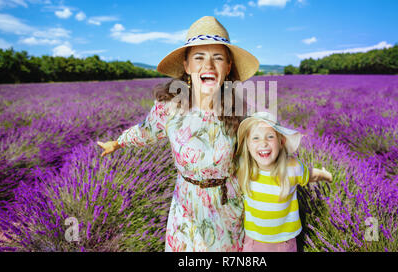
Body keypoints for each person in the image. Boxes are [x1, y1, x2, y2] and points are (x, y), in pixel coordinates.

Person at [97, 16, 259, 251]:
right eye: (199, 58)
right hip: (186, 208)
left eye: (218, 58)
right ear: (187, 66)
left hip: (227, 207)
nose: (208, 66)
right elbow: (146, 131)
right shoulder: (170, 108)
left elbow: (258, 153)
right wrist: (118, 143)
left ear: (228, 66)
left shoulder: (239, 110)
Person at [235, 111, 333, 252]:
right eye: (255, 138)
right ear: (248, 146)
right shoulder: (244, 169)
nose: (263, 143)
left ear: (281, 142)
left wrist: (325, 174)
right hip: (254, 241)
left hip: (284, 242)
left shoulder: (292, 167)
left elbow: (310, 174)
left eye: (270, 137)